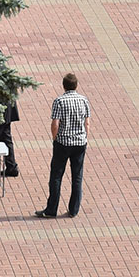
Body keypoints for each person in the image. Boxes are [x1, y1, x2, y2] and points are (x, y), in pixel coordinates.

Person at [34, 73, 91, 218]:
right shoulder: (84, 100)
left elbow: (55, 124)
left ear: (64, 86)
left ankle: (51, 209)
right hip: (80, 143)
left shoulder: (59, 101)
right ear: (76, 85)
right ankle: (74, 209)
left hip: (63, 143)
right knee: (77, 176)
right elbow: (87, 123)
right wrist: (85, 138)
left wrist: (55, 138)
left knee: (56, 176)